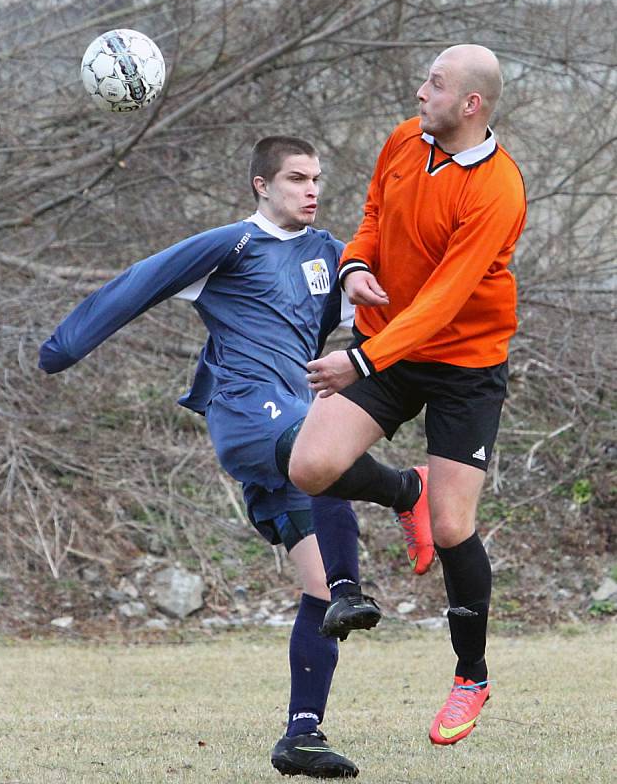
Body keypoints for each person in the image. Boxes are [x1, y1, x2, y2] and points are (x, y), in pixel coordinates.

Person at [39, 136, 367, 779]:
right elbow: (139, 285)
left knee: (318, 584)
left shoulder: (330, 254)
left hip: (293, 421)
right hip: (251, 415)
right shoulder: (232, 246)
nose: (312, 190)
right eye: (297, 178)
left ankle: (302, 735)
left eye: (317, 178)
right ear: (260, 186)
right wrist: (65, 347)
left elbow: (377, 319)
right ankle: (407, 495)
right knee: (326, 452)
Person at [288, 44, 527, 747]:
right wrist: (356, 264)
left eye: (437, 83)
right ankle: (404, 492)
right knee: (310, 466)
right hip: (388, 345)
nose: (422, 91)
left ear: (471, 105)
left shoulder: (496, 190)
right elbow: (371, 213)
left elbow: (447, 302)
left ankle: (470, 676)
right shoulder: (405, 137)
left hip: (462, 363)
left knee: (454, 528)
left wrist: (358, 357)